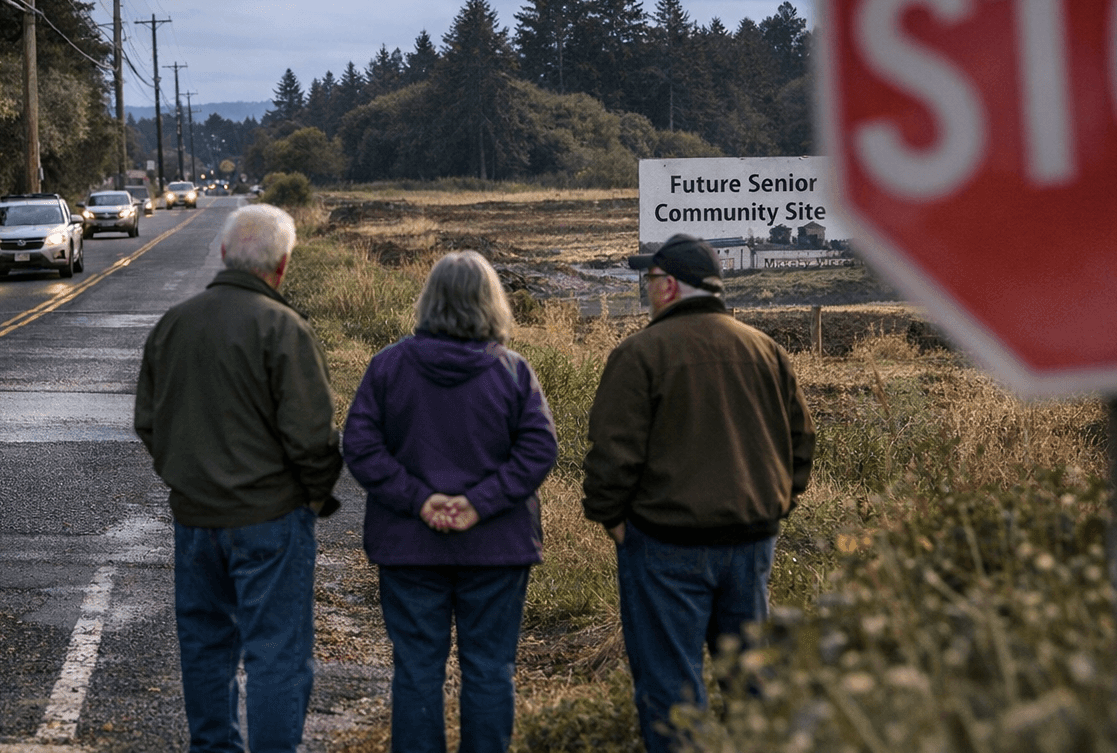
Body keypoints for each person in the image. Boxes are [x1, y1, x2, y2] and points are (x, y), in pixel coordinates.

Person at [581, 233, 815, 753]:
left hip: (666, 545)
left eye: (649, 280)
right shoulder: (766, 350)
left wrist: (610, 516)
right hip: (751, 543)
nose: (646, 289)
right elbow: (800, 443)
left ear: (668, 286)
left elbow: (612, 454)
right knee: (752, 685)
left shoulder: (639, 353)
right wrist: (775, 506)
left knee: (671, 692)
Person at [134, 203, 343, 753]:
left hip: (196, 519)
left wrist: (187, 477)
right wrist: (314, 496)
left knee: (205, 649)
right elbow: (313, 436)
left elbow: (149, 421)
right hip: (270, 519)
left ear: (225, 253)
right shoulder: (284, 328)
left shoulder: (175, 323)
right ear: (283, 265)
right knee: (275, 655)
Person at [343, 251, 559, 753]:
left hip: (410, 547)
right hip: (496, 548)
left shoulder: (388, 366)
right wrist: (478, 504)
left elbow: (360, 445)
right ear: (492, 302)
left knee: (417, 668)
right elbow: (539, 449)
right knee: (489, 669)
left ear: (430, 300)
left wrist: (420, 501)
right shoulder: (512, 372)